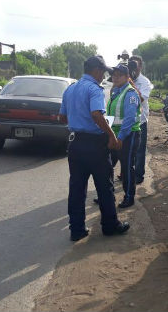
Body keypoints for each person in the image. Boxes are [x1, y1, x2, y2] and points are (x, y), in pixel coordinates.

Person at [59, 55, 130, 241]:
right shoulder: (94, 89)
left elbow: (62, 118)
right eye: (103, 72)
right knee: (104, 187)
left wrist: (77, 122)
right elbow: (97, 115)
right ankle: (110, 226)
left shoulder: (70, 89)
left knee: (77, 188)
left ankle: (77, 230)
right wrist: (111, 136)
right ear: (97, 71)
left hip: (75, 143)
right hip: (95, 146)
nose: (103, 77)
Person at [107, 63, 142, 208]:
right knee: (107, 165)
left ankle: (129, 197)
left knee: (127, 167)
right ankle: (107, 194)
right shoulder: (116, 91)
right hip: (115, 136)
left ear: (127, 77)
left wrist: (120, 137)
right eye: (113, 75)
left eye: (119, 75)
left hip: (128, 135)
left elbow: (129, 119)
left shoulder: (130, 93)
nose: (115, 78)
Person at [129, 55, 153, 184]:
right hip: (126, 120)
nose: (133, 68)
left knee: (139, 150)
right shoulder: (124, 78)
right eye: (131, 64)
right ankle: (127, 173)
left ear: (141, 66)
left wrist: (130, 83)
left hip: (140, 120)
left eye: (136, 65)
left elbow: (141, 99)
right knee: (127, 149)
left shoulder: (144, 82)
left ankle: (138, 176)